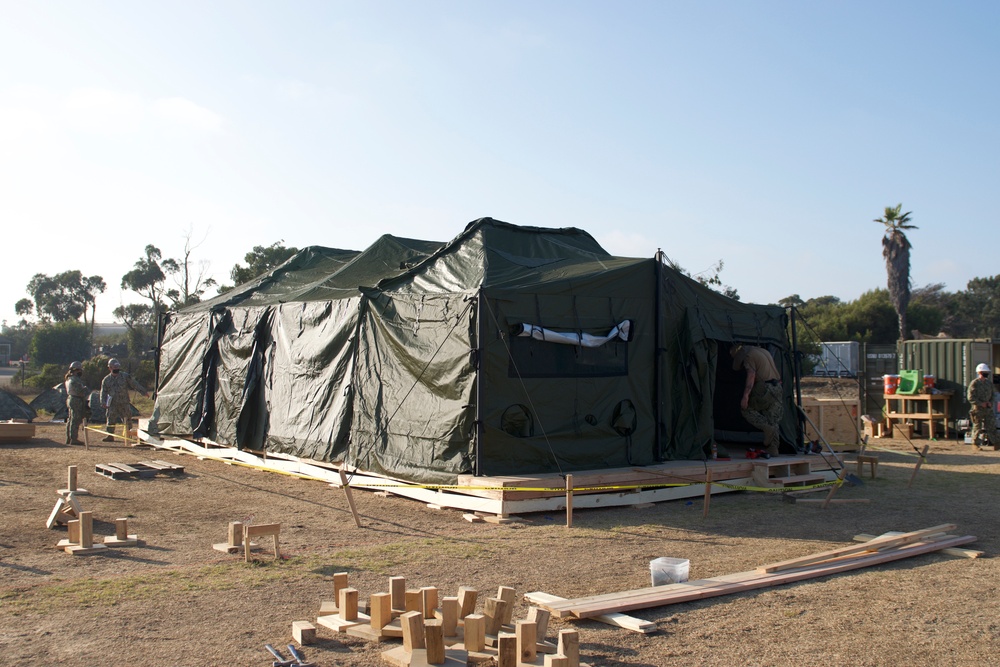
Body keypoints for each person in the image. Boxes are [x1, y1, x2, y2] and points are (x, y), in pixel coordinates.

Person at [730, 343, 783, 456]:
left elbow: (751, 376)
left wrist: (745, 396)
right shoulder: (764, 352)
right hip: (777, 386)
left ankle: (767, 428)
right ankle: (773, 448)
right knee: (773, 418)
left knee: (747, 410)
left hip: (764, 387)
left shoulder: (749, 356)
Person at [100, 358, 148, 443]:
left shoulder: (125, 376)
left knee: (127, 419)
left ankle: (129, 435)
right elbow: (103, 392)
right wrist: (103, 402)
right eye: (114, 367)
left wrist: (143, 392)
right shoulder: (106, 380)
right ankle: (110, 435)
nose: (116, 369)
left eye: (117, 367)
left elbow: (134, 384)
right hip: (112, 404)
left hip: (124, 403)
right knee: (110, 420)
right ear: (110, 368)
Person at [967, 363, 998, 450]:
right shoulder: (974, 383)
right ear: (980, 372)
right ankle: (975, 444)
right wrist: (980, 404)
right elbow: (970, 397)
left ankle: (996, 443)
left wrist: (990, 403)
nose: (986, 374)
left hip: (988, 409)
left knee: (991, 426)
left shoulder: (989, 383)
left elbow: (993, 395)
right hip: (978, 410)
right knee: (977, 427)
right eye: (985, 372)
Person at [64, 361, 89, 445]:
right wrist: (85, 389)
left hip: (71, 398)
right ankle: (73, 439)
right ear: (76, 370)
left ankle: (69, 438)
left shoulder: (69, 378)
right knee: (75, 419)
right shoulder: (75, 380)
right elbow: (80, 390)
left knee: (70, 419)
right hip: (76, 399)